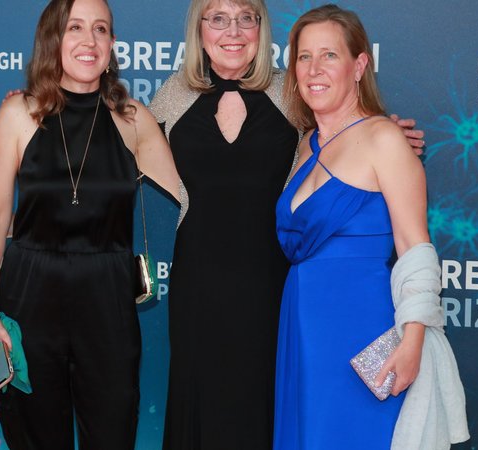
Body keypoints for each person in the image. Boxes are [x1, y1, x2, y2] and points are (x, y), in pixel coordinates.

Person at [148, 1, 426, 449]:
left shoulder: (291, 90)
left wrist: (386, 131)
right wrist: (38, 104)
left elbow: (341, 135)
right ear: (198, 30)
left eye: (246, 17)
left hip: (274, 286)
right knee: (199, 405)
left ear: (262, 28)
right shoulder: (172, 95)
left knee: (271, 407)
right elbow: (113, 139)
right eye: (217, 18)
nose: (232, 30)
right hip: (197, 284)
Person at [0, 0, 180, 448]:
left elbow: (191, 197)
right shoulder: (18, 114)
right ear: (53, 38)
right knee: (33, 434)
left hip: (107, 302)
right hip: (29, 297)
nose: (89, 41)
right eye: (76, 28)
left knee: (111, 434)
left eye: (101, 29)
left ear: (111, 44)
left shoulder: (134, 120)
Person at [273, 4, 468, 449]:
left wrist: (413, 341)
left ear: (359, 64)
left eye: (329, 55)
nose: (315, 69)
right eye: (304, 57)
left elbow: (415, 246)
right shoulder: (307, 144)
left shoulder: (385, 138)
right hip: (304, 329)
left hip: (361, 328)